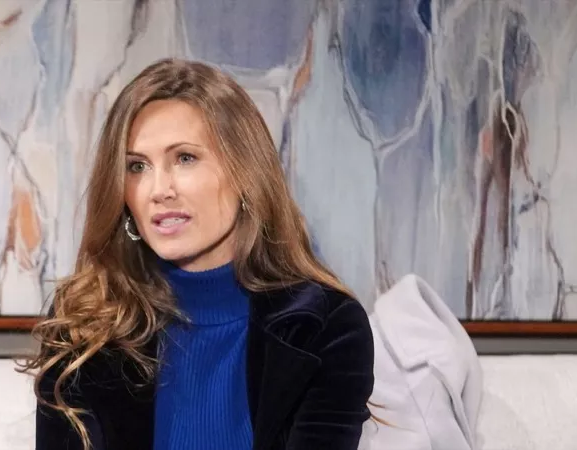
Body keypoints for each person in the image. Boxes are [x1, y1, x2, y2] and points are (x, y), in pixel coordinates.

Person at [22, 58, 376, 450]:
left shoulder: (325, 327)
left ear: (245, 173)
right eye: (137, 166)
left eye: (185, 158)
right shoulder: (82, 323)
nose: (159, 190)